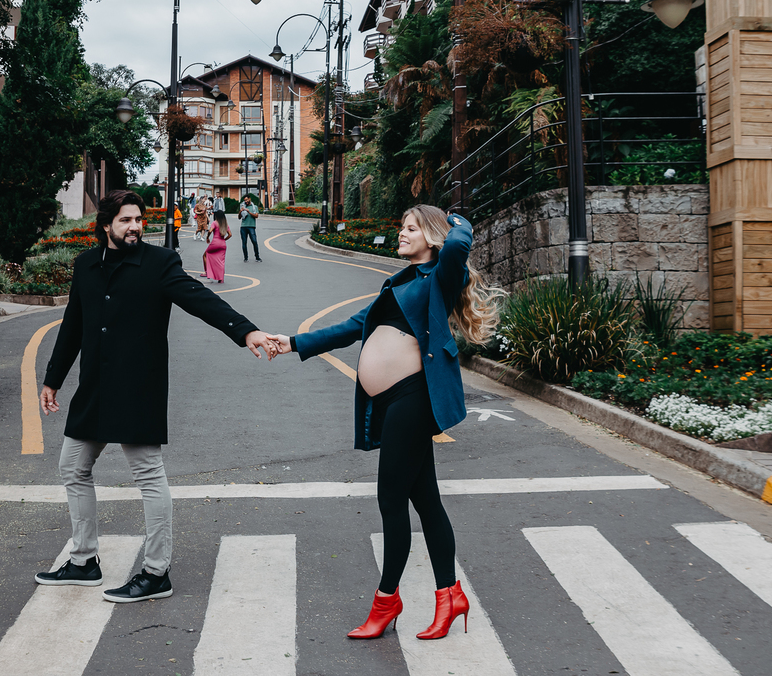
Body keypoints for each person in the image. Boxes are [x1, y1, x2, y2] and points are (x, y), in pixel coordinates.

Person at [266, 205, 502, 640]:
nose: (401, 233)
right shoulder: (398, 282)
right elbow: (354, 326)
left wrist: (456, 220)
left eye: (411, 228)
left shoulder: (440, 278)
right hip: (392, 401)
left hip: (414, 397)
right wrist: (294, 342)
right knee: (426, 501)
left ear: (432, 236)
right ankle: (450, 596)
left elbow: (456, 247)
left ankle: (386, 600)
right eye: (401, 227)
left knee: (391, 501)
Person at [36, 190, 275, 602]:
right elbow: (73, 325)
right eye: (126, 220)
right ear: (105, 225)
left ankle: (155, 571)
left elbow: (201, 300)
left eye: (138, 219)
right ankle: (83, 560)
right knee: (72, 467)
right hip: (94, 386)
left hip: (136, 387)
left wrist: (245, 331)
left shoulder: (159, 263)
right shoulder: (86, 265)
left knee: (148, 475)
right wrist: (52, 379)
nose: (135, 227)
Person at [201, 209, 230, 283]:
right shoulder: (225, 224)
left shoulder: (215, 223)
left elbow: (210, 230)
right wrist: (224, 240)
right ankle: (221, 278)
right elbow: (230, 234)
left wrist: (207, 237)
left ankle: (207, 272)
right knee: (221, 261)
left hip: (215, 242)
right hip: (223, 244)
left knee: (205, 255)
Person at [238, 195, 262, 263]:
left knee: (254, 241)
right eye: (245, 200)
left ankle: (257, 257)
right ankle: (245, 258)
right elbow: (239, 217)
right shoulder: (243, 206)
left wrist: (249, 212)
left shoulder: (254, 207)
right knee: (244, 242)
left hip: (251, 226)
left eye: (247, 200)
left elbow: (256, 216)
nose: (246, 201)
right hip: (243, 226)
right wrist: (240, 211)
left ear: (249, 199)